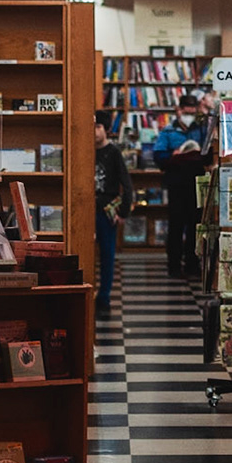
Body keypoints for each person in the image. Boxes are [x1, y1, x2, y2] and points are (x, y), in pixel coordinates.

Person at [152, 93, 208, 278]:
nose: (189, 115)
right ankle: (174, 265)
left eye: (192, 112)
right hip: (176, 183)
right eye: (186, 111)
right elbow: (158, 156)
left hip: (196, 182)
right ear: (179, 110)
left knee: (194, 225)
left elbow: (209, 153)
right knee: (176, 224)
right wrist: (173, 155)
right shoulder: (168, 131)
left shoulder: (201, 130)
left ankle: (192, 263)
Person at [93, 110, 134, 322]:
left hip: (106, 210)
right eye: (92, 127)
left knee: (107, 255)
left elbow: (127, 184)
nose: (94, 131)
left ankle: (104, 297)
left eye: (98, 127)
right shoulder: (84, 150)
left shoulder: (113, 152)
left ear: (106, 129)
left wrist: (123, 211)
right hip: (86, 209)